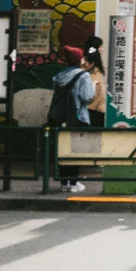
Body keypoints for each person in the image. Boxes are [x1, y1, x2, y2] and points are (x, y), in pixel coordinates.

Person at [47, 45, 95, 193]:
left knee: (62, 150)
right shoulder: (83, 76)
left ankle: (64, 182)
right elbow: (87, 97)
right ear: (78, 59)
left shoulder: (60, 75)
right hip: (77, 117)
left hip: (60, 117)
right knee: (75, 151)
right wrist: (93, 86)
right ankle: (73, 183)